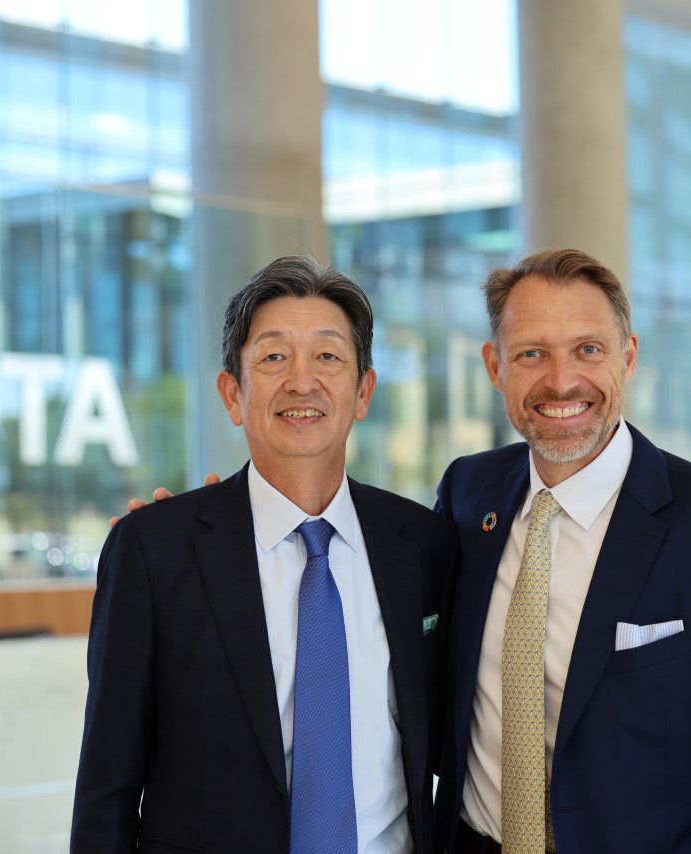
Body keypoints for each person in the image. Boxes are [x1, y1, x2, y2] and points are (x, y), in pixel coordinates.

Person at [433, 248, 691, 853]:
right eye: (532, 353)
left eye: (588, 349)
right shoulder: (466, 494)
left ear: (629, 357)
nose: (561, 381)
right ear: (494, 365)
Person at [70, 256, 457, 854]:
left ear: (363, 392)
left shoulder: (424, 545)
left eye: (328, 356)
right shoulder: (154, 552)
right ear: (232, 394)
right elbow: (106, 791)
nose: (302, 382)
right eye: (274, 357)